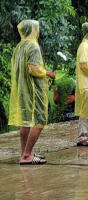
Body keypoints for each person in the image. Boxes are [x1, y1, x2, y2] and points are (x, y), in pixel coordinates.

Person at [9, 20, 55, 164]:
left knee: (26, 121)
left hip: (23, 89)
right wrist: (47, 73)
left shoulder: (20, 46)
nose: (38, 31)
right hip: (34, 90)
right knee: (40, 121)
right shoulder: (33, 46)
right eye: (37, 29)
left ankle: (24, 154)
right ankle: (27, 155)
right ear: (32, 30)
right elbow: (33, 69)